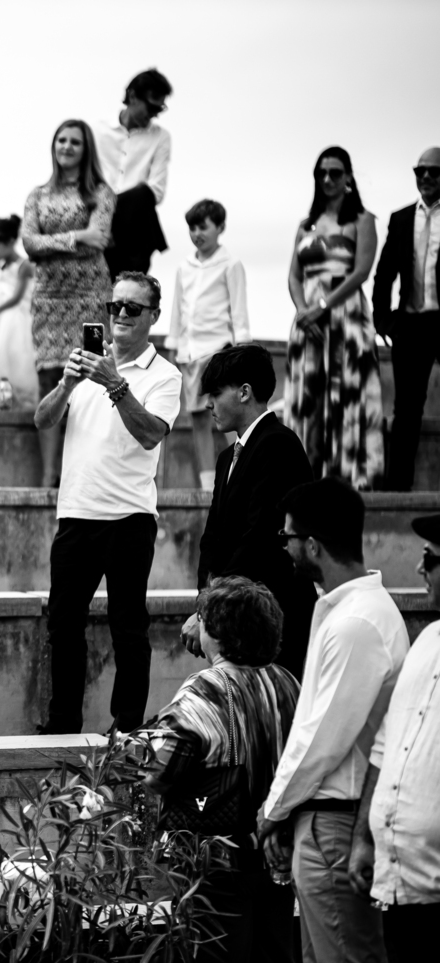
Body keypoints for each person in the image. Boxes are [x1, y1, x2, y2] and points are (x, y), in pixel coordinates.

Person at [256, 477, 406, 963]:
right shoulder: (347, 612)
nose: (285, 548)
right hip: (324, 818)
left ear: (313, 545)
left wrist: (272, 810)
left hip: (337, 822)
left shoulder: (357, 622)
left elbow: (322, 738)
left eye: (287, 537)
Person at [144, 576, 307, 963]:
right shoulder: (287, 682)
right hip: (275, 853)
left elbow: (160, 772)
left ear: (217, 631)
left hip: (217, 861)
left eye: (202, 618)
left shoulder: (204, 689)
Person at [35, 272, 181, 734]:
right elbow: (42, 420)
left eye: (132, 308)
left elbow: (150, 434)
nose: (120, 314)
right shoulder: (87, 364)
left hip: (129, 517)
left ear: (153, 316)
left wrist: (115, 383)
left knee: (128, 627)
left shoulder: (165, 375)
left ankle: (127, 728)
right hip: (76, 513)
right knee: (63, 625)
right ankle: (62, 724)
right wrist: (66, 384)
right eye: (114, 305)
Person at [182, 344, 316, 678]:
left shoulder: (277, 444)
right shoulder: (226, 457)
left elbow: (259, 539)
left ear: (244, 392)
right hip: (237, 616)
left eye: (216, 393)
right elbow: (211, 539)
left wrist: (209, 613)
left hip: (274, 620)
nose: (208, 404)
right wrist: (207, 606)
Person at [349, 513, 440, 963]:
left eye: (430, 558)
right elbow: (386, 744)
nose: (421, 569)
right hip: (401, 881)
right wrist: (366, 836)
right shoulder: (427, 640)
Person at [22, 120, 116, 488]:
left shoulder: (101, 193)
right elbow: (29, 244)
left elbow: (99, 240)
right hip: (49, 298)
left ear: (85, 148)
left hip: (91, 296)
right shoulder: (37, 195)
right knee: (50, 378)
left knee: (91, 379)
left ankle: (86, 471)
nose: (67, 146)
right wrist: (78, 237)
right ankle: (50, 474)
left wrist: (52, 242)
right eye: (61, 140)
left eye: (75, 141)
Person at [286, 147, 384, 490]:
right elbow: (294, 276)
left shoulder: (362, 220)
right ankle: (303, 480)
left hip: (346, 317)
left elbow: (361, 272)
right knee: (307, 399)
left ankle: (344, 481)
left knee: (346, 395)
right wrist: (304, 311)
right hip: (307, 323)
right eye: (322, 173)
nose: (327, 179)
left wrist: (323, 306)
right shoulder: (305, 225)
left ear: (348, 177)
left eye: (335, 173)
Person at [167, 199, 250, 490]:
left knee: (227, 416)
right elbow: (177, 310)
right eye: (192, 228)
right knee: (198, 418)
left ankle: (239, 476)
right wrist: (174, 346)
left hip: (218, 351)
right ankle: (207, 484)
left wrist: (242, 351)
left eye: (203, 227)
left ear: (220, 227)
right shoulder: (184, 266)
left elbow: (239, 312)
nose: (197, 234)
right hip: (190, 353)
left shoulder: (231, 264)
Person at [373, 147, 440, 493]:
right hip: (410, 325)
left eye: (434, 171)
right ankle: (397, 494)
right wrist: (382, 321)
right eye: (419, 171)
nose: (425, 177)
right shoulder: (400, 219)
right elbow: (384, 274)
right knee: (406, 411)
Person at [97, 69, 172, 277]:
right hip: (98, 222)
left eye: (160, 109)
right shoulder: (97, 131)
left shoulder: (161, 137)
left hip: (135, 227)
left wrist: (117, 207)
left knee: (143, 194)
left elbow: (156, 191)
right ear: (132, 96)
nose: (155, 114)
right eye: (152, 107)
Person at [0, 215, 38, 408]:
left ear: (10, 242)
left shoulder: (24, 265)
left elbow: (16, 298)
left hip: (14, 316)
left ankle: (18, 401)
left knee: (12, 357)